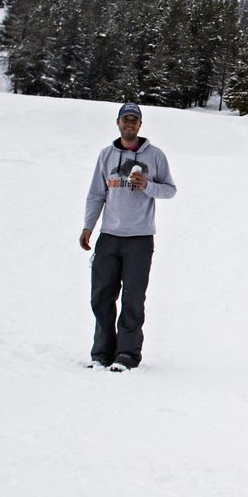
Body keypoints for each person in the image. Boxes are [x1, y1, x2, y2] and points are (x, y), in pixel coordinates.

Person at [80, 102, 177, 371]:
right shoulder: (106, 155)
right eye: (125, 119)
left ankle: (127, 354)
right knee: (101, 296)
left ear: (140, 124)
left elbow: (170, 190)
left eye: (134, 119)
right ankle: (101, 353)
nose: (129, 123)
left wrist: (147, 185)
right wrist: (88, 227)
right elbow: (96, 194)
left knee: (132, 298)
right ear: (118, 123)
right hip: (109, 235)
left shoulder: (155, 156)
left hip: (140, 238)